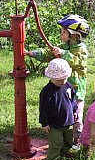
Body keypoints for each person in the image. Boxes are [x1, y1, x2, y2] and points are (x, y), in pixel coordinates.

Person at [26, 14, 89, 150]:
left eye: (64, 32)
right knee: (63, 112)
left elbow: (77, 62)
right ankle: (61, 136)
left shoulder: (81, 49)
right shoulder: (63, 46)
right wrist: (34, 53)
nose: (61, 34)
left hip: (76, 90)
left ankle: (77, 141)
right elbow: (49, 53)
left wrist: (63, 53)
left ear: (75, 35)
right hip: (62, 87)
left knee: (77, 116)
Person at [39, 58, 77, 160]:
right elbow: (43, 109)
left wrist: (74, 110)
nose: (62, 81)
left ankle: (65, 153)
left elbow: (72, 100)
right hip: (55, 124)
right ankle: (54, 158)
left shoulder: (68, 86)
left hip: (68, 122)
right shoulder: (47, 92)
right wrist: (44, 123)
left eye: (64, 78)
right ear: (51, 77)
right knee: (56, 142)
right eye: (59, 79)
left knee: (68, 139)